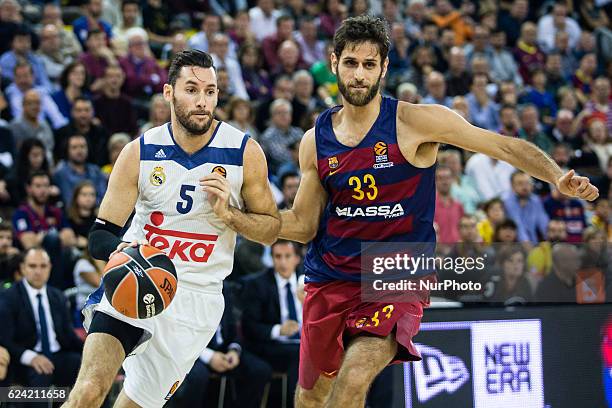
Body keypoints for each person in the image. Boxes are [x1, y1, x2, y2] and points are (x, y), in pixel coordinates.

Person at [277, 16, 598, 407]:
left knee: (353, 379)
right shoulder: (316, 139)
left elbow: (503, 146)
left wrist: (556, 175)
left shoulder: (417, 121)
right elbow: (303, 222)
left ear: (384, 68)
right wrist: (240, 216)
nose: (359, 74)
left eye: (369, 64)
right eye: (350, 63)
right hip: (331, 273)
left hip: (396, 267)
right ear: (333, 63)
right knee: (311, 398)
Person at [62, 49, 280, 408]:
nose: (202, 101)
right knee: (87, 391)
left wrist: (230, 216)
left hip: (196, 297)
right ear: (169, 93)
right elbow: (100, 233)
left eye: (210, 91)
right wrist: (123, 254)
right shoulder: (139, 151)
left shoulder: (244, 152)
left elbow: (270, 230)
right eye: (192, 89)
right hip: (136, 278)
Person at [0, 247, 83, 389]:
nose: (38, 271)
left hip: (58, 355)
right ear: (23, 268)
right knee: (41, 374)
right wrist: (31, 357)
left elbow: (68, 335)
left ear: (49, 268)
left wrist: (89, 354)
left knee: (91, 370)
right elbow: (5, 340)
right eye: (32, 266)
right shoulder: (9, 297)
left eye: (43, 266)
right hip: (27, 358)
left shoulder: (58, 296)